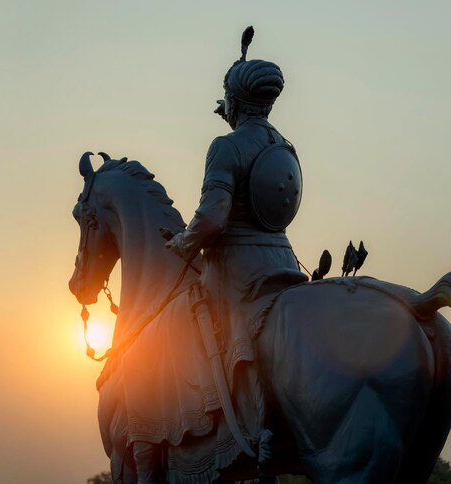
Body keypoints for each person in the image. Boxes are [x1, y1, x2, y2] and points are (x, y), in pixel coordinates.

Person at [166, 26, 307, 471]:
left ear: (234, 101)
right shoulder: (285, 146)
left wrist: (182, 242)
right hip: (283, 261)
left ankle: (219, 425)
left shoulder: (226, 146)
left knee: (177, 331)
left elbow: (212, 217)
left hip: (236, 271)